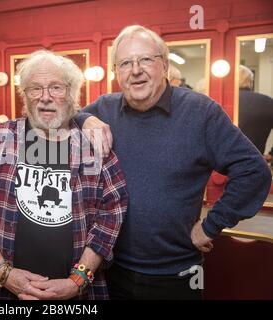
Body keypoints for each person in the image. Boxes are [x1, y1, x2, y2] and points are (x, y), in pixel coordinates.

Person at [75, 25, 271, 300]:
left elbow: (254, 171)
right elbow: (66, 120)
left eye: (145, 59)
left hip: (177, 275)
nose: (136, 70)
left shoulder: (202, 112)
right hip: (110, 270)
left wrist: (211, 224)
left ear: (164, 65)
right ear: (117, 72)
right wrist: (86, 119)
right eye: (125, 63)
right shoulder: (104, 109)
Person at [0, 50, 128, 300]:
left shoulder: (93, 145)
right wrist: (3, 273)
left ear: (71, 93)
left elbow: (111, 216)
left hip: (75, 294)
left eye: (56, 88)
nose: (45, 98)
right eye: (35, 89)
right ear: (25, 95)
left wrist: (78, 279)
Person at [238, 64, 273, 155]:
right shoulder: (268, 102)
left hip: (220, 165)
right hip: (256, 162)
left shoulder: (220, 101)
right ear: (251, 82)